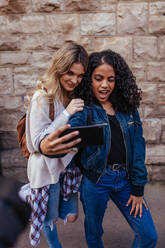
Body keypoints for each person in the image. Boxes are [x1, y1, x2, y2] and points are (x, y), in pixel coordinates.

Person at [66, 50, 158, 248]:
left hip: (125, 181)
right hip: (95, 181)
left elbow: (138, 148)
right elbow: (70, 131)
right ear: (89, 79)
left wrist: (138, 187)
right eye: (98, 78)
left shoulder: (128, 108)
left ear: (118, 81)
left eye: (111, 79)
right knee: (94, 233)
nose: (104, 85)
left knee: (148, 235)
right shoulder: (85, 109)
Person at [25, 40, 89, 248]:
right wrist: (67, 112)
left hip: (67, 168)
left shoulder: (72, 94)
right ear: (59, 68)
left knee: (71, 216)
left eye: (80, 75)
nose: (74, 80)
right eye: (70, 73)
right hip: (46, 171)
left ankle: (29, 194)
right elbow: (37, 142)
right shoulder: (42, 97)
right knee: (49, 218)